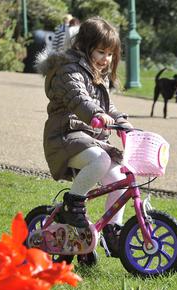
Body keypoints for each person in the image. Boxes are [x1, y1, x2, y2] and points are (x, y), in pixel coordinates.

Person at [36, 17, 132, 256]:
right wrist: (97, 114)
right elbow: (80, 100)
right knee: (100, 160)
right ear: (83, 46)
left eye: (110, 54)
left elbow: (106, 106)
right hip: (64, 137)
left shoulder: (97, 74)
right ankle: (73, 203)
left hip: (88, 138)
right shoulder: (68, 70)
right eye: (101, 52)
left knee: (119, 174)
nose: (106, 59)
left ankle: (112, 230)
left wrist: (120, 119)